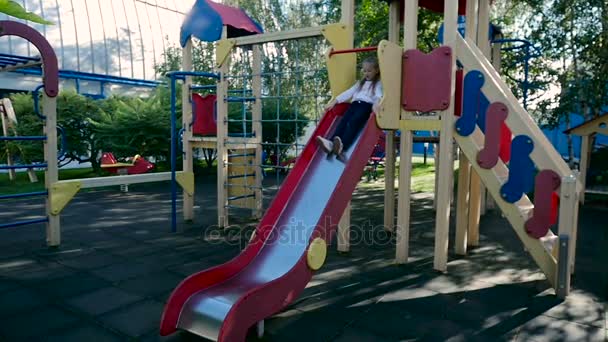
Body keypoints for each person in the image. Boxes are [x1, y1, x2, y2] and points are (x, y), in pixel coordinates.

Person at [316, 57, 383, 162]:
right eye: (364, 71)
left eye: (369, 71)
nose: (366, 73)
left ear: (376, 71)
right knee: (344, 121)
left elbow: (379, 95)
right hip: (354, 104)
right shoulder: (359, 83)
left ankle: (343, 148)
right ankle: (330, 143)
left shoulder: (377, 84)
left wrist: (376, 105)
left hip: (365, 106)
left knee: (353, 122)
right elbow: (349, 92)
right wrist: (334, 101)